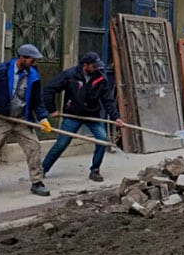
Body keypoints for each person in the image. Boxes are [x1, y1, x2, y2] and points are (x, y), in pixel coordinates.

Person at [0, 44, 52, 198]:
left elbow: (37, 101)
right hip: (1, 118)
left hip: (21, 118)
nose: (34, 63)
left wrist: (43, 118)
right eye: (32, 60)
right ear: (22, 58)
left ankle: (37, 182)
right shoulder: (1, 71)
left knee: (34, 147)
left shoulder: (34, 76)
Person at [41, 52, 123, 182]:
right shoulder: (70, 75)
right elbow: (49, 89)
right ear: (85, 65)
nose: (97, 69)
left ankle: (95, 170)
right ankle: (43, 169)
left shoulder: (100, 79)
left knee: (102, 140)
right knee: (61, 144)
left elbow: (108, 100)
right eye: (94, 66)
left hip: (93, 115)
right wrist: (52, 109)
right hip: (72, 114)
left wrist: (116, 117)